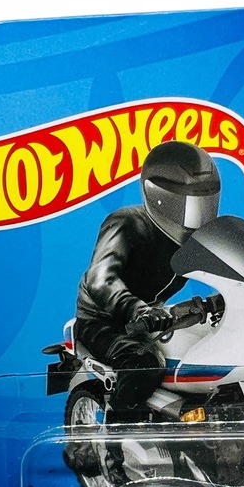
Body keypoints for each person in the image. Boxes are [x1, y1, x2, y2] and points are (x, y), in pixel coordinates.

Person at [74, 141, 220, 417]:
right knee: (144, 366)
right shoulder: (127, 223)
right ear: (159, 196)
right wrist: (138, 309)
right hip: (103, 320)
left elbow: (232, 268)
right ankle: (119, 433)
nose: (198, 214)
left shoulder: (198, 241)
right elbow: (100, 278)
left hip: (154, 319)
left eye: (204, 203)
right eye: (189, 204)